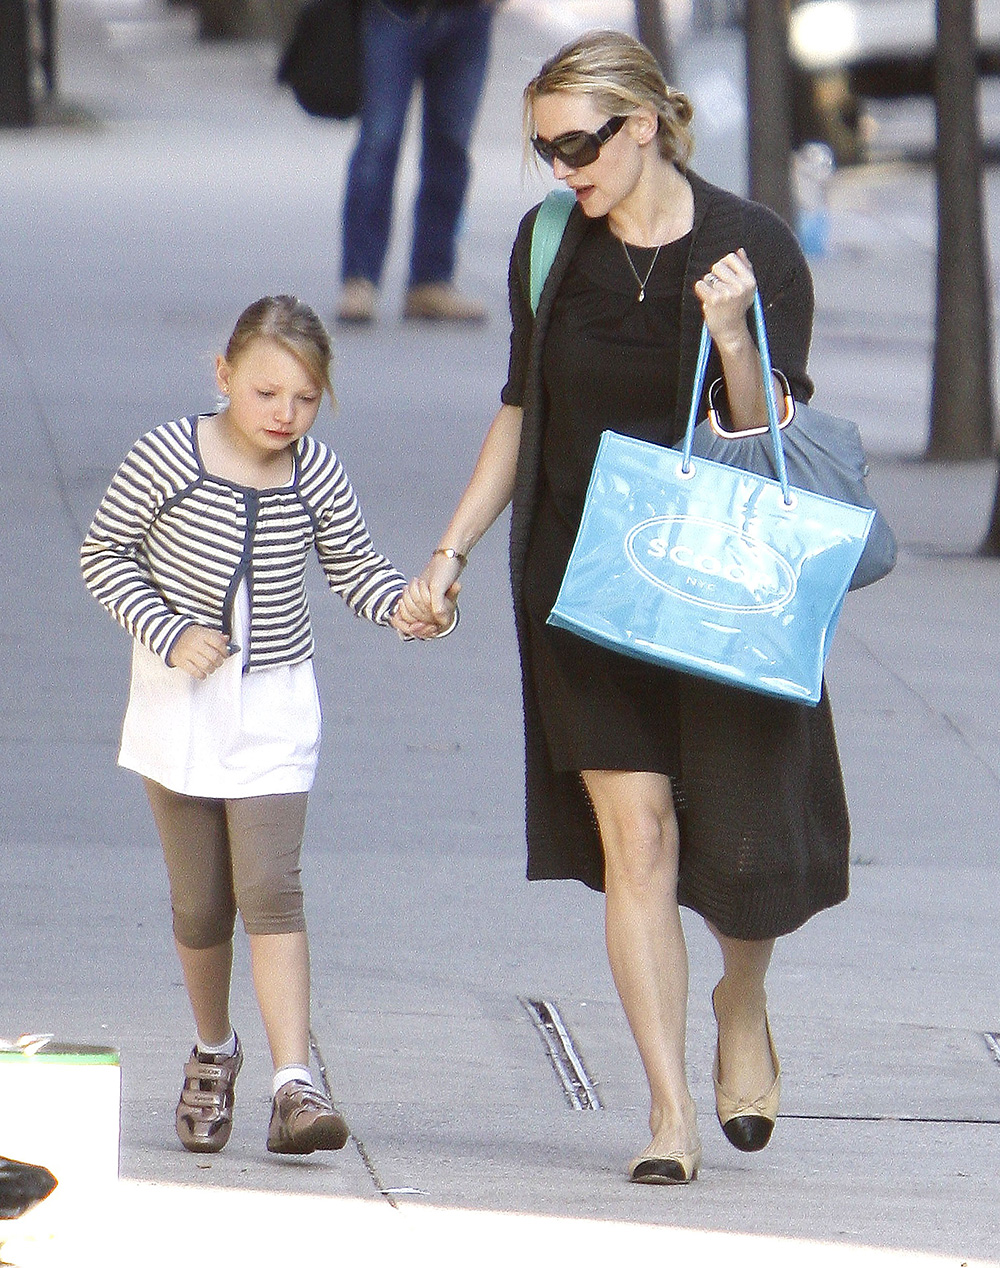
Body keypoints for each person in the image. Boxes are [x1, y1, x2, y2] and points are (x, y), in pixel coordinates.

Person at [397, 31, 851, 1184]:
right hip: (584, 583)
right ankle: (666, 1114)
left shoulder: (754, 244)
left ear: (643, 123)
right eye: (544, 148)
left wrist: (735, 331)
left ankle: (738, 994)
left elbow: (765, 435)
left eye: (577, 143)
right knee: (636, 833)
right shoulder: (550, 243)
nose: (561, 169)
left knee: (740, 850)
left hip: (717, 579)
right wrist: (449, 551)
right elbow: (520, 407)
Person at [81, 296, 454, 1157]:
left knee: (271, 891)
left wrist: (410, 608)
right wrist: (169, 629)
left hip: (276, 704)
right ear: (223, 376)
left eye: (306, 399)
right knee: (201, 905)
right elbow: (104, 552)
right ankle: (214, 1049)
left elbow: (355, 568)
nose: (285, 414)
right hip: (178, 705)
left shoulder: (314, 472)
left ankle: (295, 1083)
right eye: (266, 393)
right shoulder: (167, 454)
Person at [336, 0, 496, 325]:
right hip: (395, 11)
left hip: (469, 15)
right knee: (380, 142)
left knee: (451, 148)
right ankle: (359, 278)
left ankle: (431, 279)